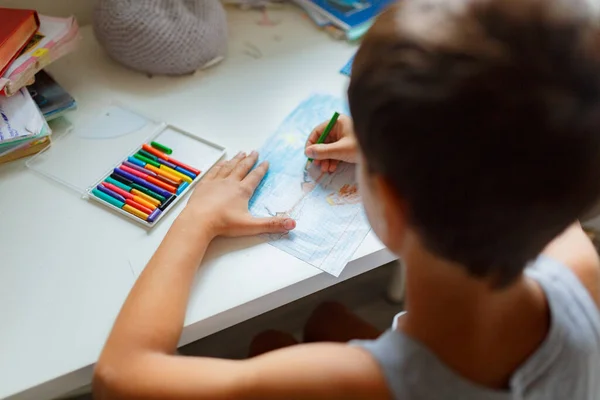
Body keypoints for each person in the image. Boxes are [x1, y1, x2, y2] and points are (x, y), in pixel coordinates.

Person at [93, 0, 600, 398]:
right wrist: (404, 148)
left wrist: (196, 219)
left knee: (266, 344)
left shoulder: (350, 382)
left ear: (393, 204)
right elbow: (523, 155)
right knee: (325, 317)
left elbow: (120, 377)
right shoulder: (583, 273)